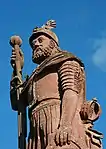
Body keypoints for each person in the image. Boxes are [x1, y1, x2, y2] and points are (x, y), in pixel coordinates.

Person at [10, 20, 103, 149]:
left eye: (40, 40)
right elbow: (17, 103)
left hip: (57, 120)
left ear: (53, 43)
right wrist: (16, 70)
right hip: (35, 131)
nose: (35, 44)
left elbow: (70, 92)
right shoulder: (33, 77)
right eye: (33, 43)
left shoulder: (66, 61)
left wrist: (65, 125)